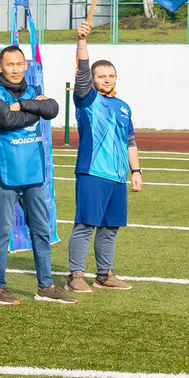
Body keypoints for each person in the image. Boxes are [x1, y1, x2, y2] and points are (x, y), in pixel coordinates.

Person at [0, 44, 69, 305]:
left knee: (41, 228)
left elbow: (52, 109)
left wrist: (24, 105)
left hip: (33, 170)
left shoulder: (32, 91)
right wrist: (33, 111)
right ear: (0, 67)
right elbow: (6, 120)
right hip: (5, 170)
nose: (15, 69)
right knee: (2, 230)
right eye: (10, 65)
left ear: (26, 66)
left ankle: (46, 285)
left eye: (20, 64)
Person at [70, 18, 142, 292]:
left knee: (111, 227)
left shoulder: (123, 106)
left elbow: (130, 141)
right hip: (92, 172)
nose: (107, 79)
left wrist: (136, 172)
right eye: (102, 76)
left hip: (117, 177)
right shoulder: (87, 99)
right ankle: (76, 274)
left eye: (111, 75)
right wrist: (82, 41)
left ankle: (104, 274)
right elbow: (83, 71)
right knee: (86, 224)